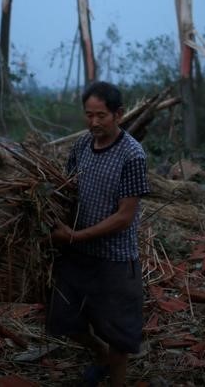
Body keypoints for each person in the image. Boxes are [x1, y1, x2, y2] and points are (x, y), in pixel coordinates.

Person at [47, 81, 151, 387]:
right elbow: (67, 191)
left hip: (115, 259)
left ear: (118, 114)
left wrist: (76, 236)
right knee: (64, 319)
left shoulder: (132, 155)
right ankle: (100, 354)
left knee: (120, 333)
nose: (93, 122)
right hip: (77, 256)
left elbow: (124, 216)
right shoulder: (81, 146)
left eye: (100, 116)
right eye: (88, 115)